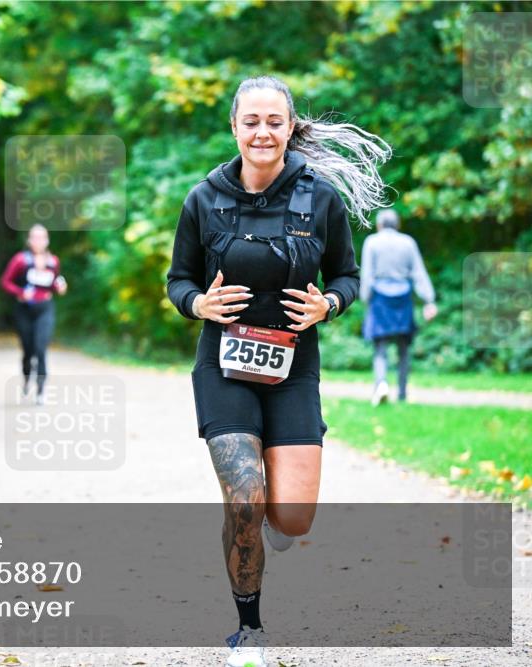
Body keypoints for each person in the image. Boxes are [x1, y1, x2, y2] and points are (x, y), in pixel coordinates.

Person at [166, 75, 391, 667]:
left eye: (274, 121)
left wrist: (329, 305)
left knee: (289, 517)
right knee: (245, 500)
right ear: (235, 128)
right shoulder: (203, 198)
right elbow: (178, 280)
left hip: (294, 369)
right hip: (225, 366)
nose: (262, 132)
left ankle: (268, 525)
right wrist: (197, 304)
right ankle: (250, 629)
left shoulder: (319, 198)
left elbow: (348, 274)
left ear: (291, 128)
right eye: (251, 121)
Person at [361, 208, 438, 405]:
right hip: (403, 298)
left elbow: (367, 274)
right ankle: (402, 394)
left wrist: (365, 299)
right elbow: (419, 273)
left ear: (379, 225)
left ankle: (381, 385)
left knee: (380, 347)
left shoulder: (372, 242)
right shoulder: (408, 242)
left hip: (379, 299)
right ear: (398, 224)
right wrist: (429, 300)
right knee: (404, 349)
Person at [0, 224, 67, 405]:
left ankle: (41, 389)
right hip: (24, 310)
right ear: (29, 240)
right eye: (35, 237)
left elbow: (54, 283)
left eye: (42, 237)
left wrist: (60, 287)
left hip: (45, 308)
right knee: (28, 350)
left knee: (41, 347)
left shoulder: (53, 261)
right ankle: (27, 378)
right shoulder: (20, 260)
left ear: (47, 240)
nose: (38, 241)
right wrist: (21, 292)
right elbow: (5, 282)